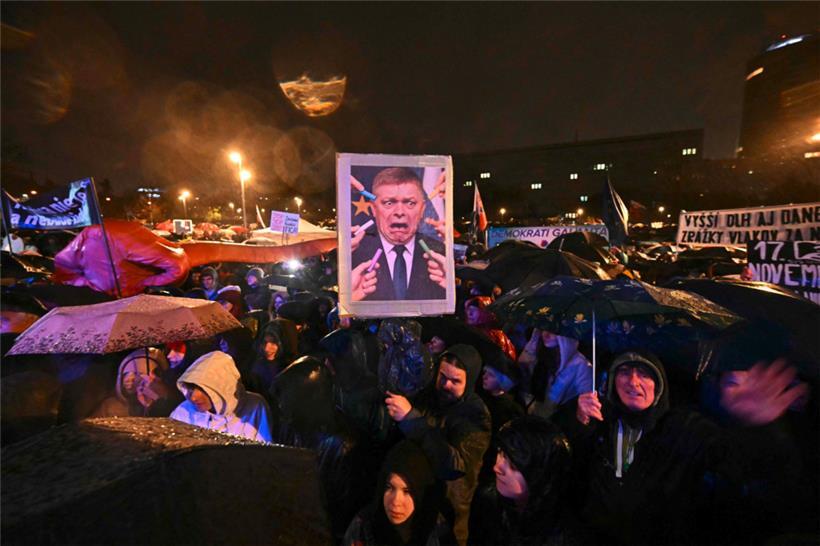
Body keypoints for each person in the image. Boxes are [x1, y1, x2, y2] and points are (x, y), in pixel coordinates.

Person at [559, 351, 808, 545]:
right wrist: (576, 422)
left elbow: (740, 471)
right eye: (624, 372)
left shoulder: (684, 427)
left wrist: (759, 429)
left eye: (644, 374)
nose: (633, 381)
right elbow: (564, 472)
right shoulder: (599, 421)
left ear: (659, 385)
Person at [385, 344, 491, 546]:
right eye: (443, 376)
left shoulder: (476, 415)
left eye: (455, 381)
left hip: (446, 513)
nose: (446, 384)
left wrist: (411, 419)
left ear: (469, 382)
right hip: (412, 502)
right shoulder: (429, 396)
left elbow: (454, 465)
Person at [469, 416, 576, 546]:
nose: (497, 467)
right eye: (500, 452)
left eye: (513, 466)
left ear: (540, 475)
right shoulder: (487, 499)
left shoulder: (563, 535)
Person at [351, 167, 447, 301]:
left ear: (422, 210)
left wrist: (450, 289)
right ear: (373, 209)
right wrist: (348, 301)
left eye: (410, 203)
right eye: (389, 203)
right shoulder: (352, 255)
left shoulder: (442, 256)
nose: (400, 212)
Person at [344, 440, 454, 546]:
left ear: (420, 494)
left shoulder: (438, 533)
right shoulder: (363, 527)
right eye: (389, 488)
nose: (396, 501)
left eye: (407, 491)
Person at [170, 350, 272, 443]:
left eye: (202, 389)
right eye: (191, 389)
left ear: (220, 387)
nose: (193, 398)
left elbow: (264, 449)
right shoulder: (183, 412)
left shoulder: (254, 406)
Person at [517, 328, 591, 418]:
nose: (546, 334)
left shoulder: (581, 365)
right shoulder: (537, 349)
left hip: (555, 420)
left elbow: (586, 403)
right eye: (544, 328)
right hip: (526, 412)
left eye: (555, 332)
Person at [93, 348, 181, 417]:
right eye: (126, 374)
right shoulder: (109, 407)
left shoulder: (168, 406)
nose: (129, 379)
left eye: (138, 374)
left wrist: (153, 405)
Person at [463, 297, 517, 361]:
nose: (469, 314)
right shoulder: (467, 330)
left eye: (473, 311)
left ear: (485, 313)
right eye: (468, 310)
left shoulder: (497, 337)